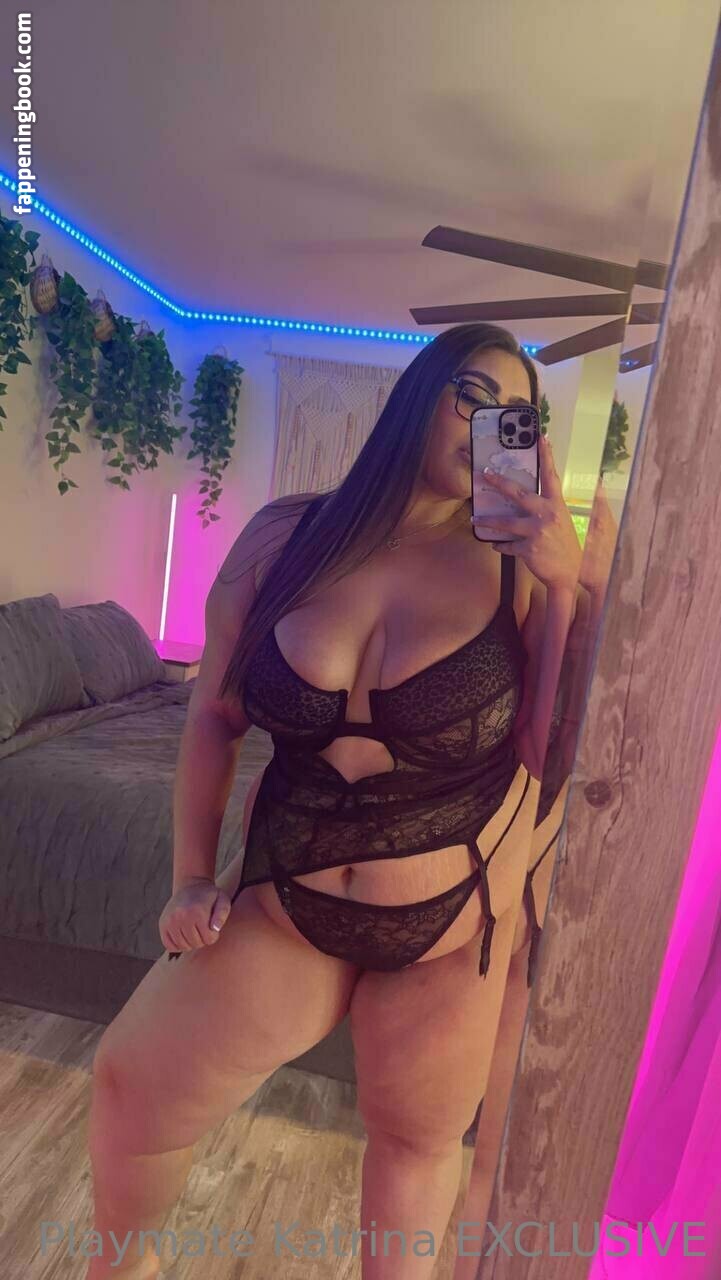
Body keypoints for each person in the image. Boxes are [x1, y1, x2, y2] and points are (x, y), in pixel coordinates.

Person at [86, 322, 583, 1280]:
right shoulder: (287, 536)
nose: (490, 426)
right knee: (131, 1084)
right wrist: (190, 875)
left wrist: (563, 590)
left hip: (451, 923)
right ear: (419, 395)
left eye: (516, 417)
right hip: (288, 893)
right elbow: (215, 716)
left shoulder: (522, 565)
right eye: (472, 396)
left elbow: (543, 754)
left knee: (414, 1149)